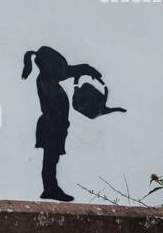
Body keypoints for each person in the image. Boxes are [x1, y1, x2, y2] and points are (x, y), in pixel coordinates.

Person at [21, 46, 111, 202]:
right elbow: (66, 74)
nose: (61, 72)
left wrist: (87, 70)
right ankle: (50, 188)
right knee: (50, 158)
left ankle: (51, 188)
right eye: (57, 67)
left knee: (52, 159)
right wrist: (83, 71)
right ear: (50, 67)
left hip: (56, 126)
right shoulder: (45, 80)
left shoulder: (49, 80)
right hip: (51, 127)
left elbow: (68, 72)